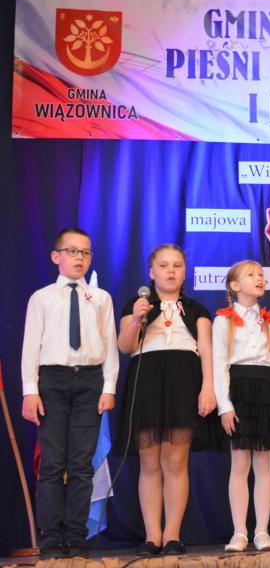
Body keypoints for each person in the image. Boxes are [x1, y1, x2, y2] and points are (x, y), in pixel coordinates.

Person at [21, 227, 119, 559]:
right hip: (52, 381)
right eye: (73, 251)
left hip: (89, 381)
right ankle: (50, 538)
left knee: (81, 464)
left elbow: (109, 347)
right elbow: (30, 348)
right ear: (56, 256)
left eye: (86, 252)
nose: (80, 258)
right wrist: (30, 391)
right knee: (52, 463)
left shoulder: (101, 298)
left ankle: (76, 536)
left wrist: (108, 387)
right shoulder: (42, 298)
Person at [115, 244, 216, 556]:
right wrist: (136, 318)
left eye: (177, 265)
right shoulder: (136, 305)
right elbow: (125, 346)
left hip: (184, 383)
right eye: (163, 265)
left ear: (185, 272)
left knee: (175, 461)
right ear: (151, 272)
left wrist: (208, 388)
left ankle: (172, 535)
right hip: (146, 382)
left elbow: (207, 352)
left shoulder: (198, 310)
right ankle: (152, 536)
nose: (170, 271)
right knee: (149, 462)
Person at [213, 260, 270, 552]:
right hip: (240, 390)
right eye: (250, 275)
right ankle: (239, 532)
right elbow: (219, 364)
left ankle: (262, 531)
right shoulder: (224, 320)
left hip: (267, 389)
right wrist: (225, 406)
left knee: (264, 463)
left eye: (260, 274)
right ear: (235, 286)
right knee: (240, 464)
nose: (259, 278)